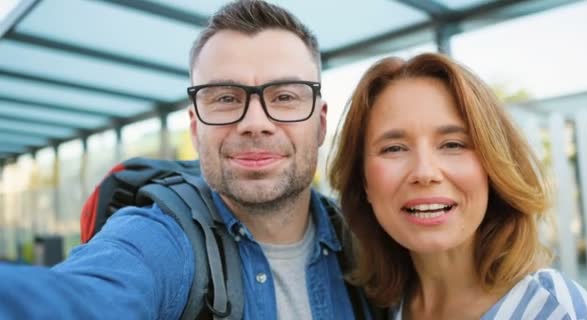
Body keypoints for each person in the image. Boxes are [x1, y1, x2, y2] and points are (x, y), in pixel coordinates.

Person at [0, 1, 378, 319]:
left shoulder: (369, 248)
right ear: (196, 129)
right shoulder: (158, 239)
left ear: (320, 123)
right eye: (226, 98)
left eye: (285, 97)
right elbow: (81, 297)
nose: (255, 123)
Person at [329, 53, 587, 319]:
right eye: (394, 148)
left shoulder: (554, 311)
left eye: (453, 144)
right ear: (363, 181)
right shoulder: (384, 307)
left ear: (494, 166)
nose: (425, 173)